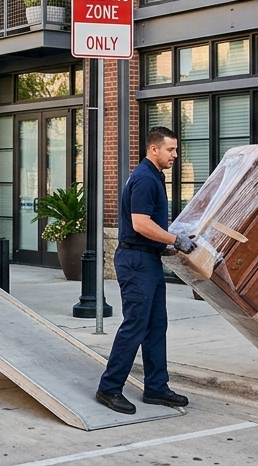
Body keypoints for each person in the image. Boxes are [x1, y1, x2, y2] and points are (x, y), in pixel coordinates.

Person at [95, 126, 195, 414]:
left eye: (176, 150)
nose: (175, 155)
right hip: (136, 263)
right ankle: (109, 388)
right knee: (135, 326)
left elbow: (145, 226)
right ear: (154, 149)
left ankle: (156, 387)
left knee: (155, 326)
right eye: (170, 149)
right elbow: (140, 223)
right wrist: (175, 239)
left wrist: (166, 245)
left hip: (148, 259)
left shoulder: (154, 176)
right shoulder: (144, 179)